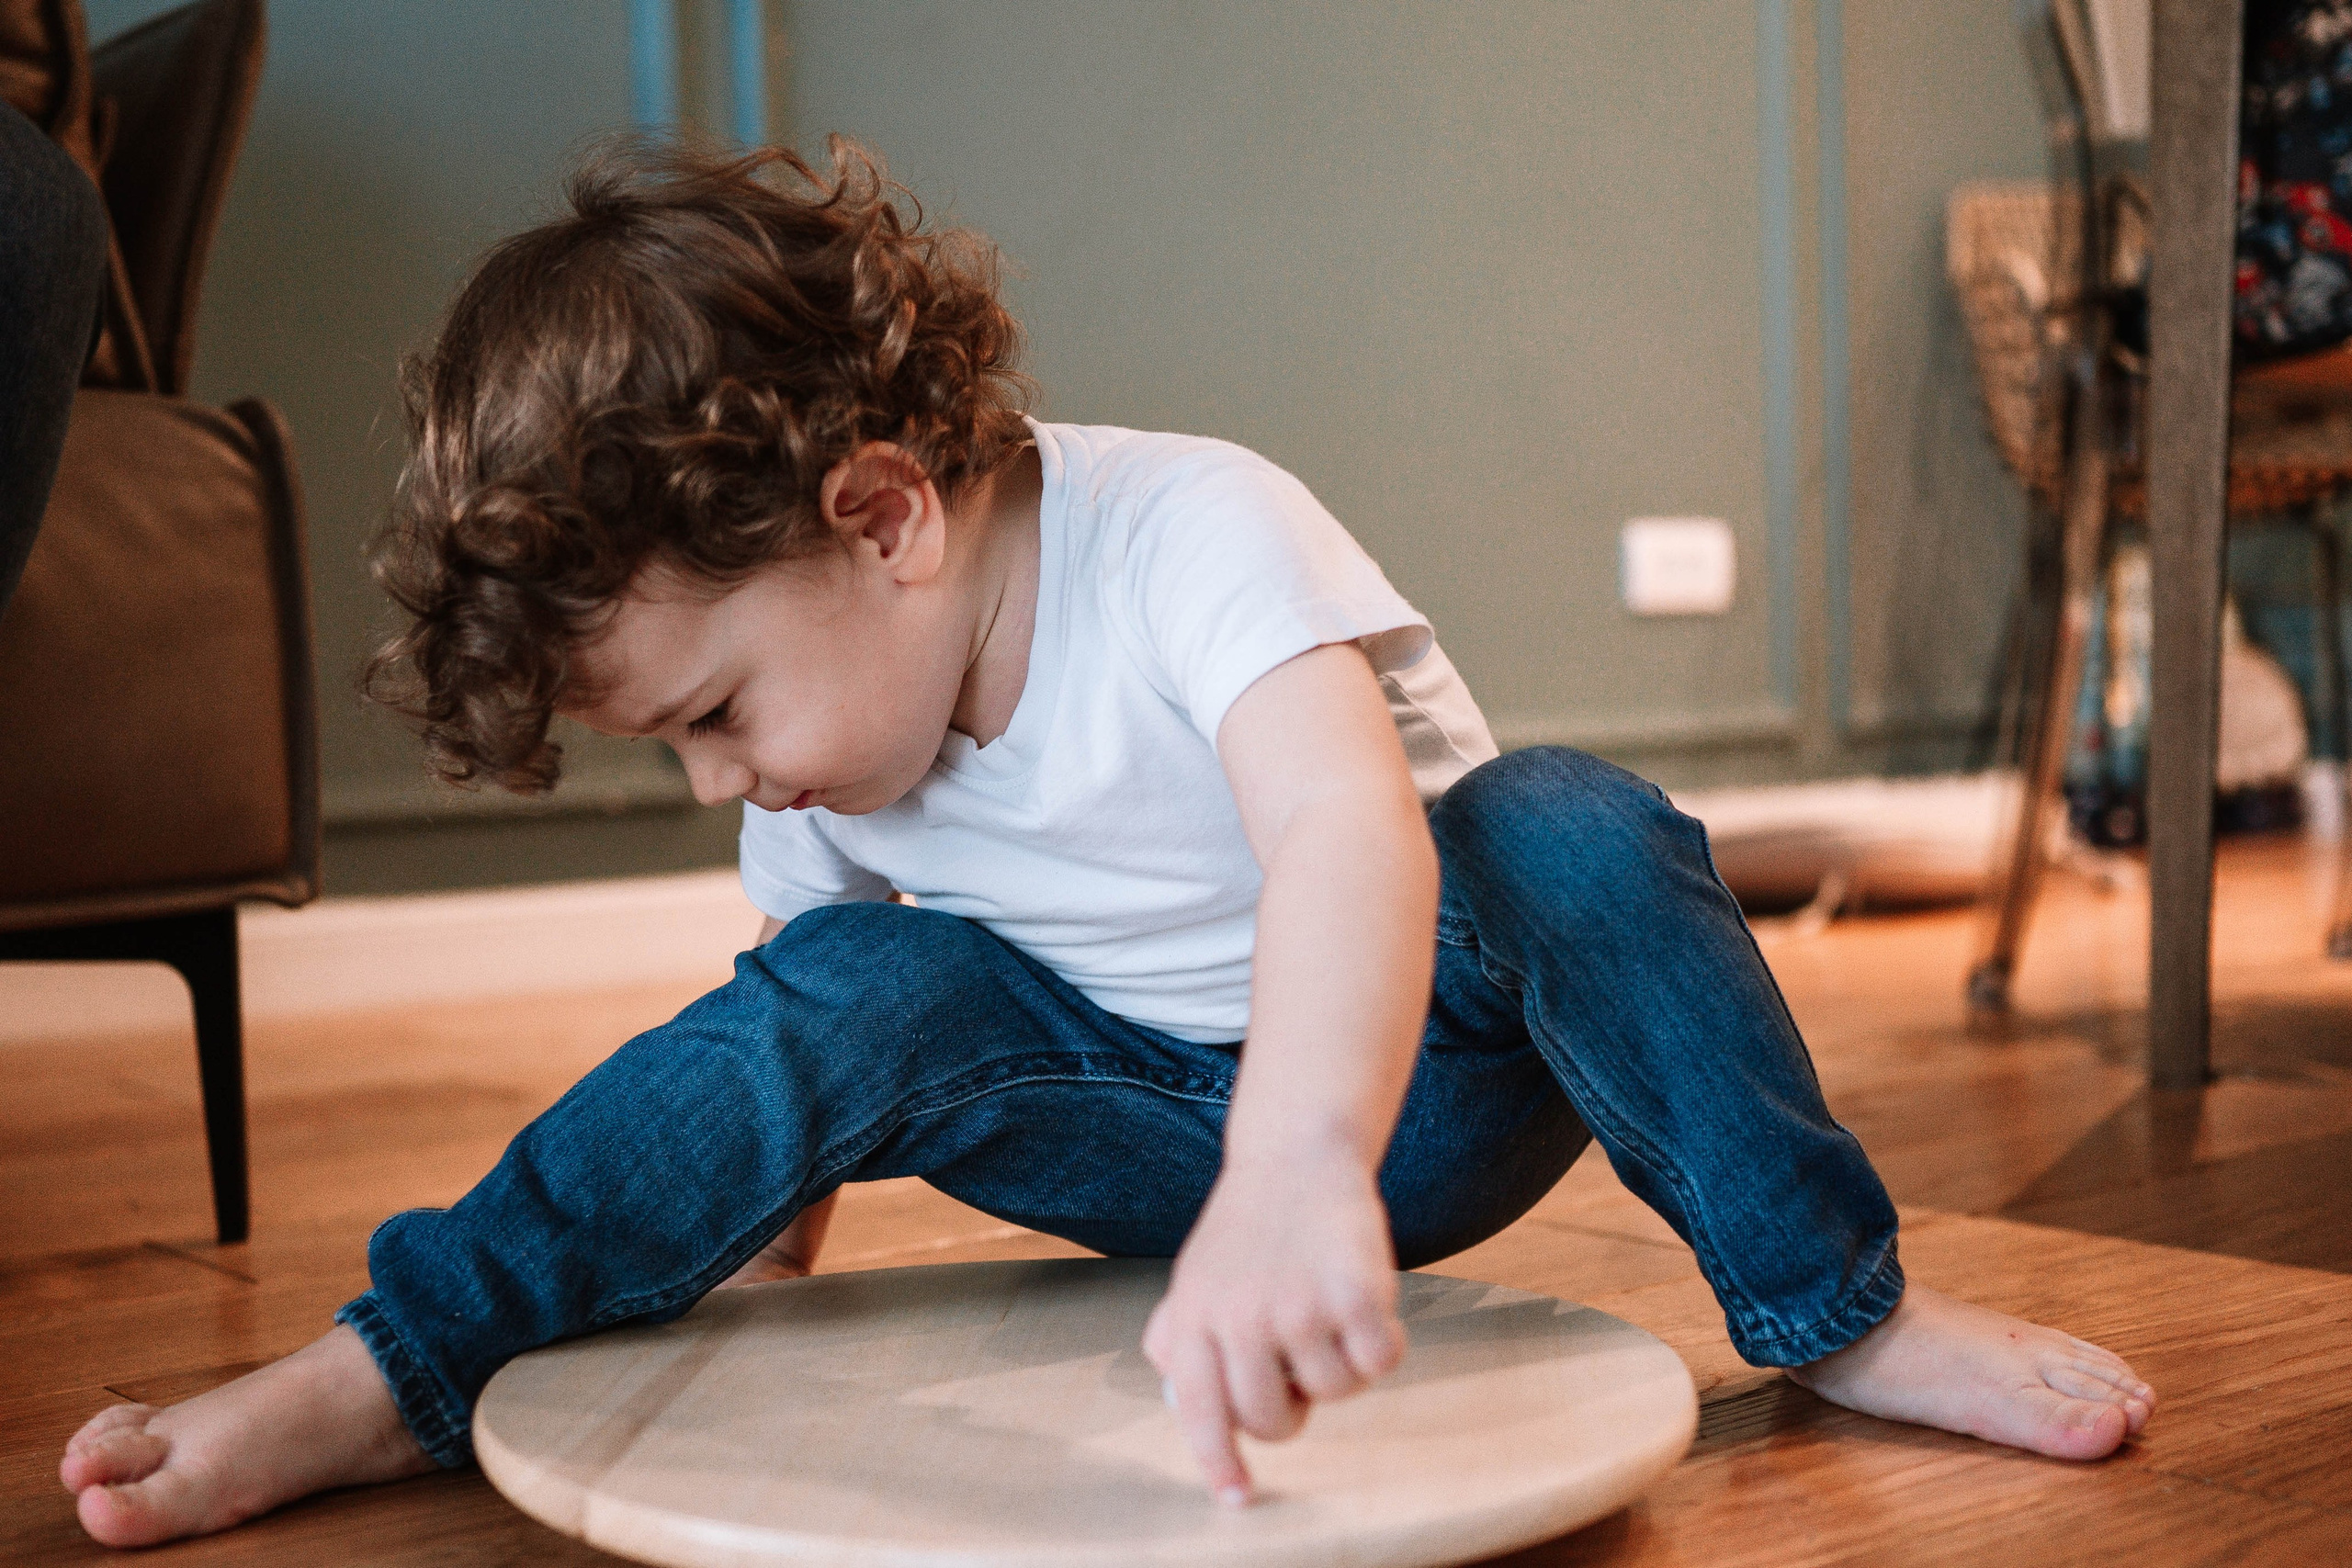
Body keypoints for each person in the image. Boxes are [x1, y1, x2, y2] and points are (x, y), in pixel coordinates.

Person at [59, 139, 2155, 1549]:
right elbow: (802, 1044)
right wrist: (730, 1278)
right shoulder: (832, 771)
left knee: (1563, 825)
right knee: (847, 979)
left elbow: (1350, 834)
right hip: (1129, 1134)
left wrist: (1295, 1168)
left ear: (883, 519)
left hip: (1414, 1087)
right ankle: (390, 1361)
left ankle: (1839, 1304)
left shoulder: (1190, 533)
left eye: (713, 714)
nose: (721, 781)